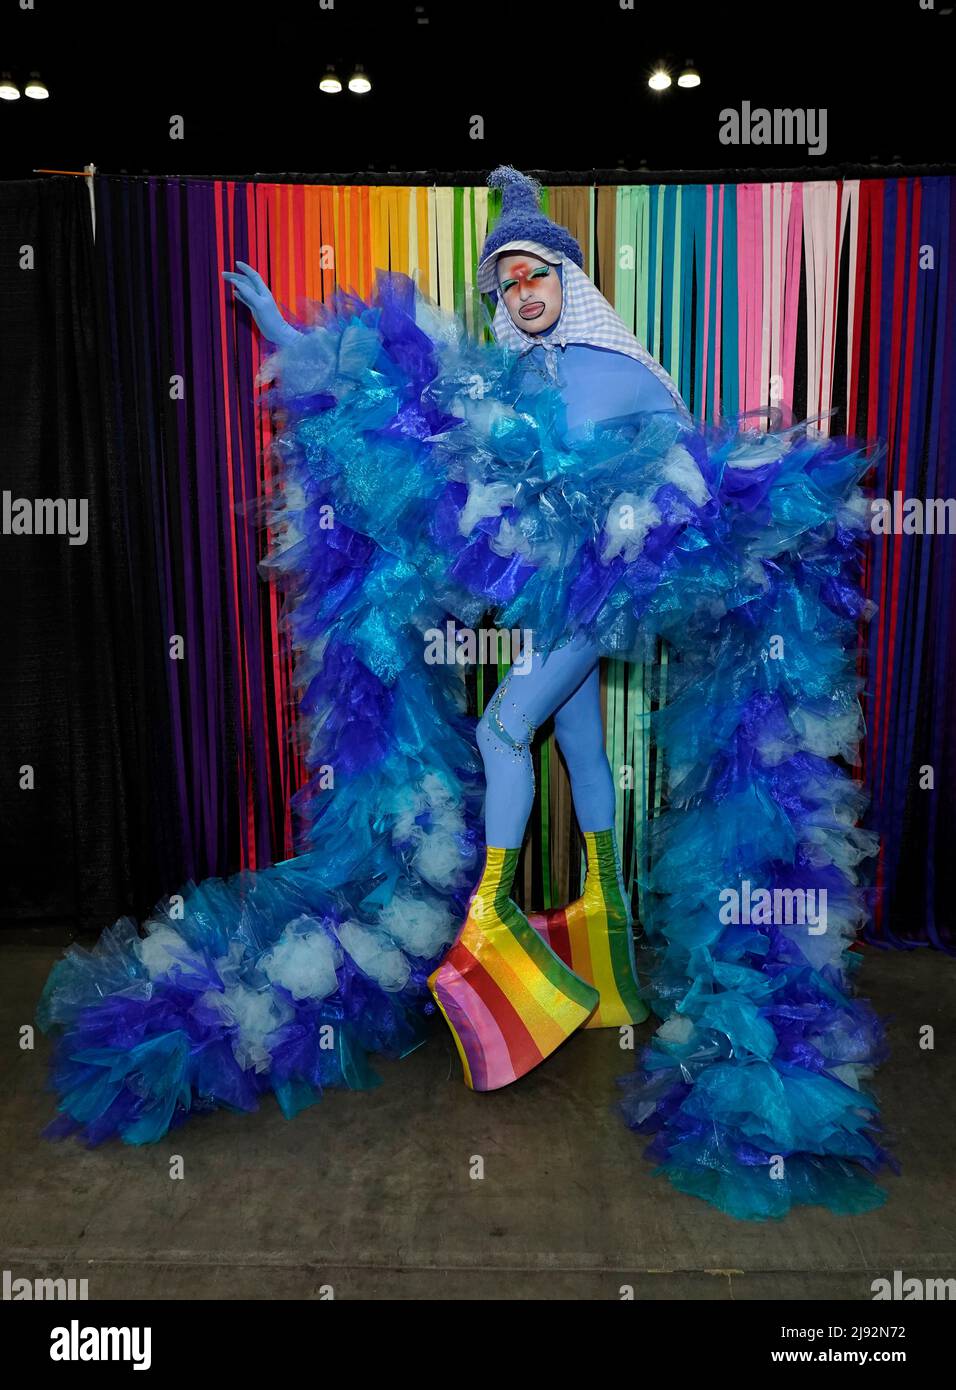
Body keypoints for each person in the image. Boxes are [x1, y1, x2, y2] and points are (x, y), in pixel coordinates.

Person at [37, 167, 892, 1221]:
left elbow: (681, 460)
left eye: (536, 273)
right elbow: (412, 409)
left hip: (599, 587)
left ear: (567, 280)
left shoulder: (611, 367)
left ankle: (491, 911)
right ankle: (604, 929)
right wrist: (285, 333)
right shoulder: (516, 374)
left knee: (503, 724)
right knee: (576, 743)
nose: (522, 290)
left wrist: (641, 528)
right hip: (554, 593)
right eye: (507, 279)